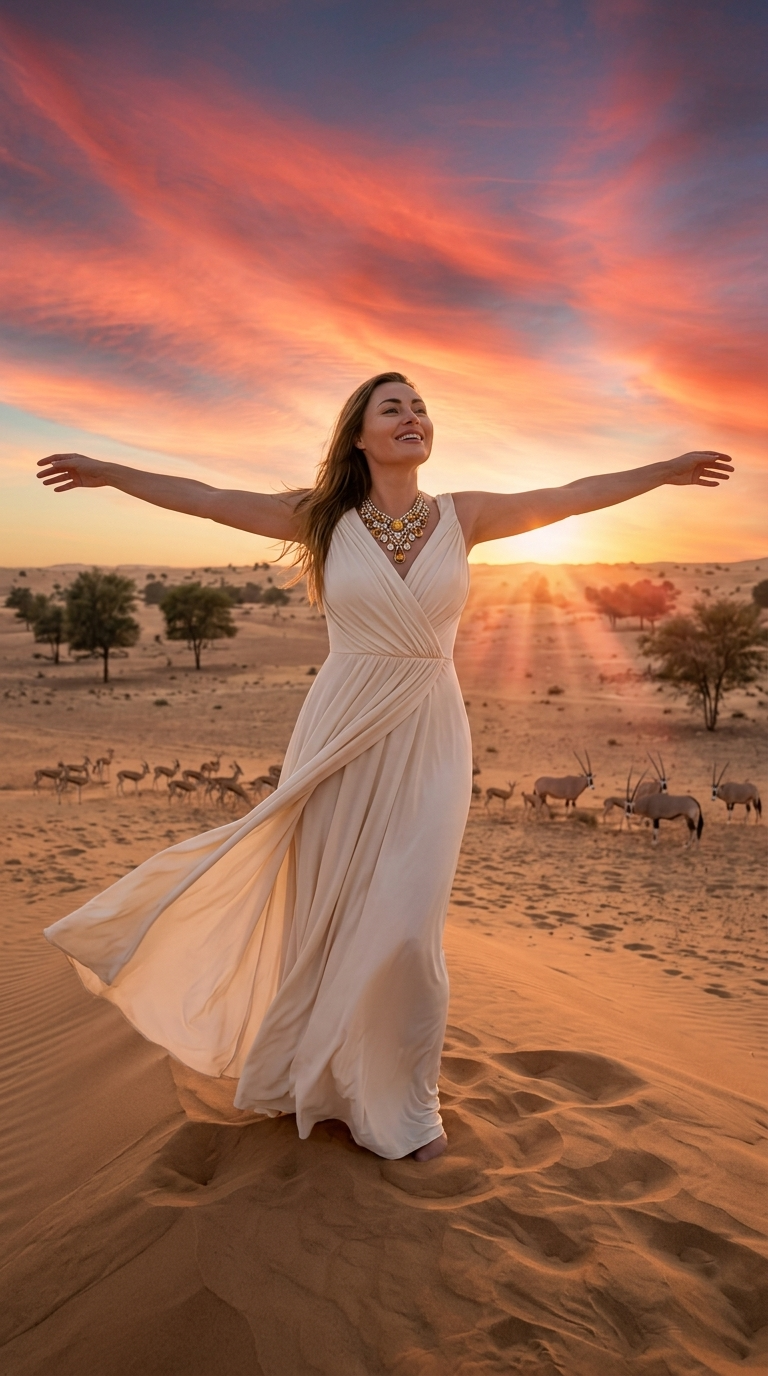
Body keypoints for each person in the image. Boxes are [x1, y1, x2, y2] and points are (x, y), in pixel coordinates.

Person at [37, 371, 732, 1162]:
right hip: (340, 726)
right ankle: (321, 1078)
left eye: (421, 408)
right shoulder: (321, 518)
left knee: (406, 924)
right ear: (360, 436)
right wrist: (111, 473)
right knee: (330, 908)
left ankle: (404, 1103)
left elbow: (572, 495)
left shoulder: (465, 515)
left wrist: (664, 472)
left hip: (430, 730)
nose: (413, 417)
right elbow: (206, 497)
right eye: (393, 408)